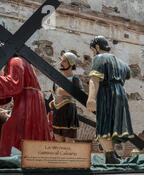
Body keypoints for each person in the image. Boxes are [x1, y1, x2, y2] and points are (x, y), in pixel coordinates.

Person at [86, 36, 134, 164]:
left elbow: (94, 79)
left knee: (104, 124)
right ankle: (112, 154)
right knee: (115, 125)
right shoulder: (122, 64)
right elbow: (128, 74)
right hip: (120, 95)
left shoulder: (99, 58)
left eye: (92, 50)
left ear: (97, 47)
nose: (93, 53)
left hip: (107, 93)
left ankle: (109, 155)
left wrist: (91, 99)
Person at [0, 56, 51, 157]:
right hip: (27, 99)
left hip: (28, 100)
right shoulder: (13, 62)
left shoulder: (16, 61)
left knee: (11, 128)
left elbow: (14, 85)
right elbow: (9, 92)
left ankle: (15, 155)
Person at [50, 52, 81, 142]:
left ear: (71, 63)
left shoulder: (74, 79)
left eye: (64, 61)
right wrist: (54, 100)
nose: (61, 63)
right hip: (58, 110)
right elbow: (55, 93)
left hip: (68, 110)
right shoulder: (57, 79)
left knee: (68, 138)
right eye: (61, 60)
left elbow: (76, 93)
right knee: (57, 136)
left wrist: (62, 92)